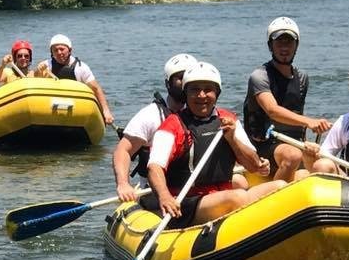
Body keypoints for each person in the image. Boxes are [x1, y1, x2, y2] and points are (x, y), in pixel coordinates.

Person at [143, 61, 286, 228]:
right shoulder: (172, 126)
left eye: (207, 90)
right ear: (186, 93)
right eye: (194, 89)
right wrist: (165, 196)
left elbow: (253, 166)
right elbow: (154, 168)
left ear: (217, 93)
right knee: (237, 197)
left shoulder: (228, 120)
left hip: (223, 194)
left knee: (281, 187)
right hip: (186, 202)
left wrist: (232, 139)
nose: (201, 95)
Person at [243, 17, 331, 182]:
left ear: (296, 45)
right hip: (263, 143)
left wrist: (308, 137)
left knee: (322, 164)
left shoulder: (302, 78)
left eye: (289, 42)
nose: (284, 47)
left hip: (293, 142)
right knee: (292, 156)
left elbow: (296, 116)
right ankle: (272, 199)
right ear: (270, 45)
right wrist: (309, 121)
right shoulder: (260, 76)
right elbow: (272, 110)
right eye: (279, 42)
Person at [113, 53, 197, 202]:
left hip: (194, 185)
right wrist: (123, 184)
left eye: (190, 78)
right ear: (168, 83)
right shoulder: (151, 115)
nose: (185, 82)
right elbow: (123, 150)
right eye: (180, 77)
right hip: (154, 190)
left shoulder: (203, 113)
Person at [38, 34, 114, 125]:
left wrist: (106, 111)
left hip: (76, 109)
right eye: (55, 50)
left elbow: (96, 89)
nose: (59, 52)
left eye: (62, 49)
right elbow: (32, 81)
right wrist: (37, 71)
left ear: (70, 50)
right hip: (53, 108)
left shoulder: (81, 67)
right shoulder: (46, 66)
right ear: (52, 53)